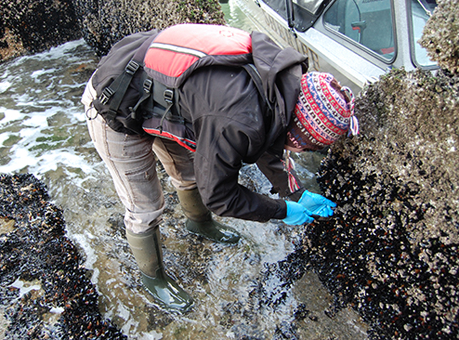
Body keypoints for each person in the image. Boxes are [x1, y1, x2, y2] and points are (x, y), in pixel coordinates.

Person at [81, 23, 358, 313]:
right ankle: (153, 278)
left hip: (162, 94)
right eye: (307, 146)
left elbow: (267, 130)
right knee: (145, 206)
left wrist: (295, 192)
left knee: (188, 172)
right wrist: (281, 211)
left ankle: (199, 223)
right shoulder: (237, 115)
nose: (301, 151)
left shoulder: (279, 79)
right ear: (297, 133)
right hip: (115, 102)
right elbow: (220, 195)